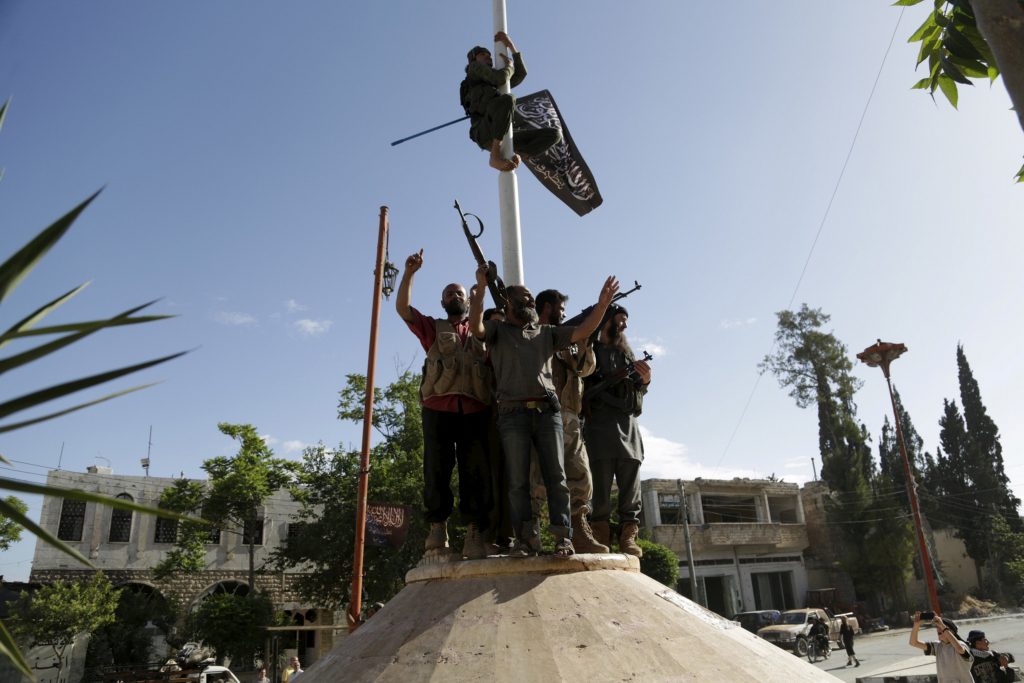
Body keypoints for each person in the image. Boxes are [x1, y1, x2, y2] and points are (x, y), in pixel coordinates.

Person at [469, 267, 618, 556]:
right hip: (512, 415)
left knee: (557, 478)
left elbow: (583, 331)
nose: (530, 300)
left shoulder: (547, 333)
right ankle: (526, 540)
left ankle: (564, 538)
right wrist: (481, 289)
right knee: (518, 482)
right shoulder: (498, 331)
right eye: (524, 296)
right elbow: (477, 328)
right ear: (509, 303)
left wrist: (602, 305)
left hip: (548, 413)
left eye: (530, 296)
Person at [396, 249, 493, 560]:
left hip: (475, 409)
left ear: (468, 299)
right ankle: (438, 527)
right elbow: (403, 309)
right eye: (449, 293)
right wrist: (409, 273)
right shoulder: (433, 328)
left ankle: (474, 530)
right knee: (436, 469)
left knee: (474, 470)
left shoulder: (482, 329)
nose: (455, 296)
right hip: (438, 408)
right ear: (442, 302)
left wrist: (482, 289)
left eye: (459, 293)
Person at [525, 288, 608, 553]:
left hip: (570, 415)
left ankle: (578, 531)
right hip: (541, 413)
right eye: (560, 308)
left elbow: (586, 368)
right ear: (547, 307)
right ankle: (530, 536)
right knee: (536, 477)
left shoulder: (570, 337)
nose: (563, 314)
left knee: (579, 473)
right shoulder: (532, 333)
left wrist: (585, 340)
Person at [582, 304, 651, 557]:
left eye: (625, 321)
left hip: (628, 428)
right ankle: (599, 533)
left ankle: (628, 536)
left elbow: (636, 392)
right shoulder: (589, 350)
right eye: (619, 320)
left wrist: (645, 381)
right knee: (599, 488)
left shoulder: (627, 355)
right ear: (605, 321)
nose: (624, 325)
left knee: (631, 487)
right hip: (599, 429)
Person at [460, 31, 561, 172]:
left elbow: (520, 74)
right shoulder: (474, 68)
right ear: (473, 59)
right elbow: (501, 78)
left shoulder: (491, 81)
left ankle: (518, 155)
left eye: (489, 54)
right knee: (508, 99)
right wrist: (509, 67)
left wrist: (511, 46)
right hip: (484, 130)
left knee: (554, 134)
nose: (489, 56)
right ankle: (495, 156)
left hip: (502, 132)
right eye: (483, 54)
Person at [909, 612, 974, 683]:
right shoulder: (937, 646)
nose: (938, 629)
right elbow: (913, 643)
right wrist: (916, 625)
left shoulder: (961, 644)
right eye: (937, 627)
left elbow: (959, 649)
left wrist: (942, 626)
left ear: (951, 632)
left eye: (941, 627)